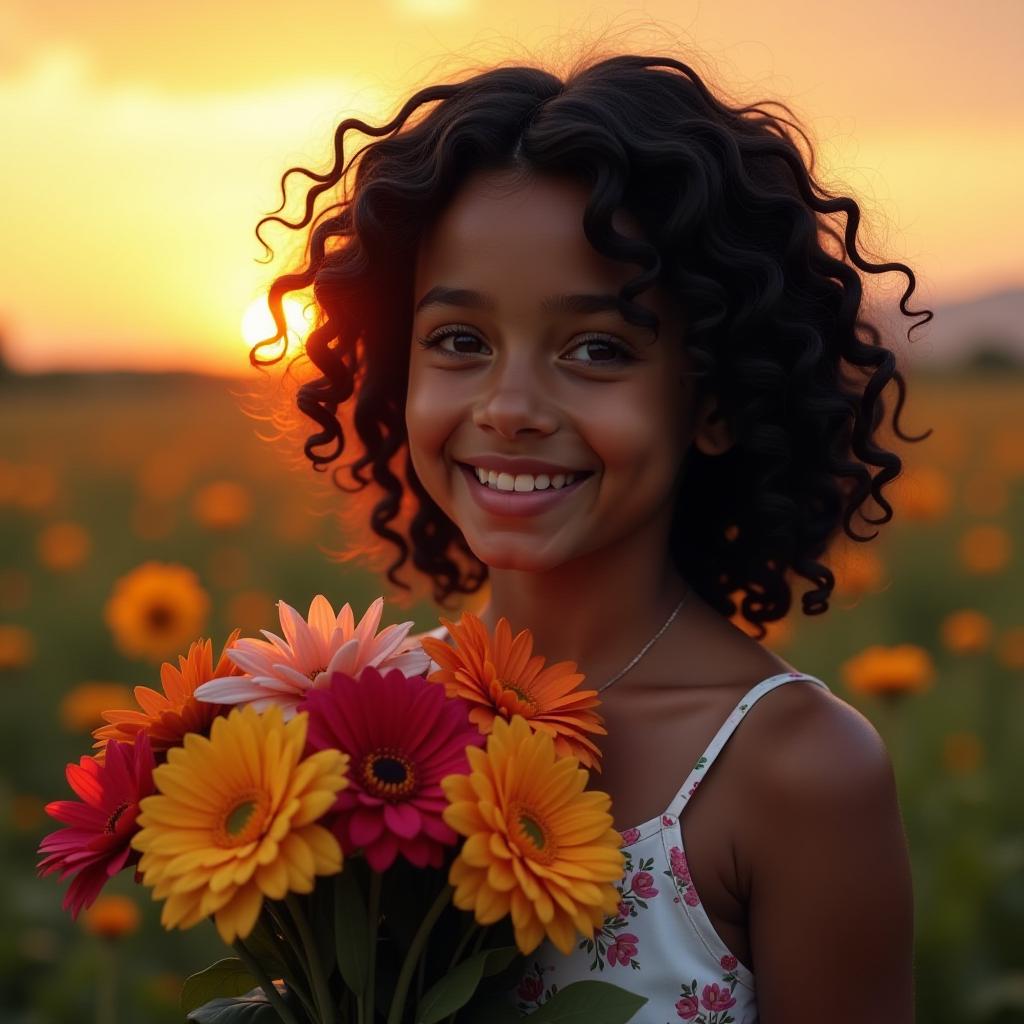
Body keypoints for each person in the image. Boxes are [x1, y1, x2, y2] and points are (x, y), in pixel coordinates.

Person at [250, 50, 929, 1023]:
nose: (511, 406)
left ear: (714, 396)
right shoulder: (354, 728)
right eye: (459, 340)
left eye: (596, 349)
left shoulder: (796, 771)